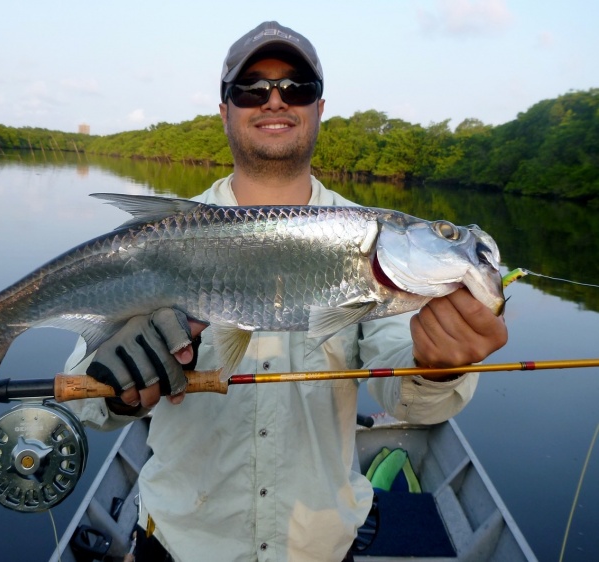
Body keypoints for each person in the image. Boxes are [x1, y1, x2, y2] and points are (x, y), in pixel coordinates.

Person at [65, 21, 508, 562]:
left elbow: (409, 398)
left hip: (318, 546)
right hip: (181, 544)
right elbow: (86, 400)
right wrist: (114, 385)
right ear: (225, 109)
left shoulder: (372, 247)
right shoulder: (165, 238)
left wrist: (439, 365)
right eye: (251, 89)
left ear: (320, 107)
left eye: (296, 87)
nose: (274, 100)